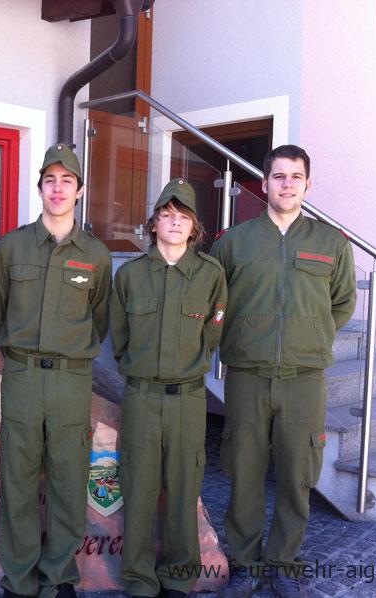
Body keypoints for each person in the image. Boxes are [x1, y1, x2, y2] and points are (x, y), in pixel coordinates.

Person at [209, 145, 356, 597]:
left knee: (297, 476)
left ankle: (284, 563)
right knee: (244, 472)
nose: (287, 184)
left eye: (295, 177)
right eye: (278, 176)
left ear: (308, 184)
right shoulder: (234, 242)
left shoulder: (331, 243)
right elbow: (216, 301)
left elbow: (342, 303)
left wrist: (310, 336)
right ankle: (246, 564)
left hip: (304, 379)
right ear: (264, 183)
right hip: (248, 376)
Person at [0, 144, 112, 598]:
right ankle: (19, 578)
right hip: (22, 375)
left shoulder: (96, 254)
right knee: (18, 478)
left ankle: (59, 575)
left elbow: (99, 319)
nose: (58, 189)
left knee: (67, 478)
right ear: (39, 187)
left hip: (70, 378)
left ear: (80, 190)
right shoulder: (12, 246)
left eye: (67, 181)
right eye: (50, 181)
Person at [111, 178, 227, 598]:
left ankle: (178, 577)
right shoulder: (130, 275)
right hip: (141, 396)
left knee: (183, 488)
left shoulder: (210, 275)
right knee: (138, 489)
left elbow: (211, 335)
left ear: (194, 226)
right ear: (154, 223)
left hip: (188, 399)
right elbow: (120, 339)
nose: (174, 222)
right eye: (166, 215)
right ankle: (139, 579)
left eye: (183, 216)